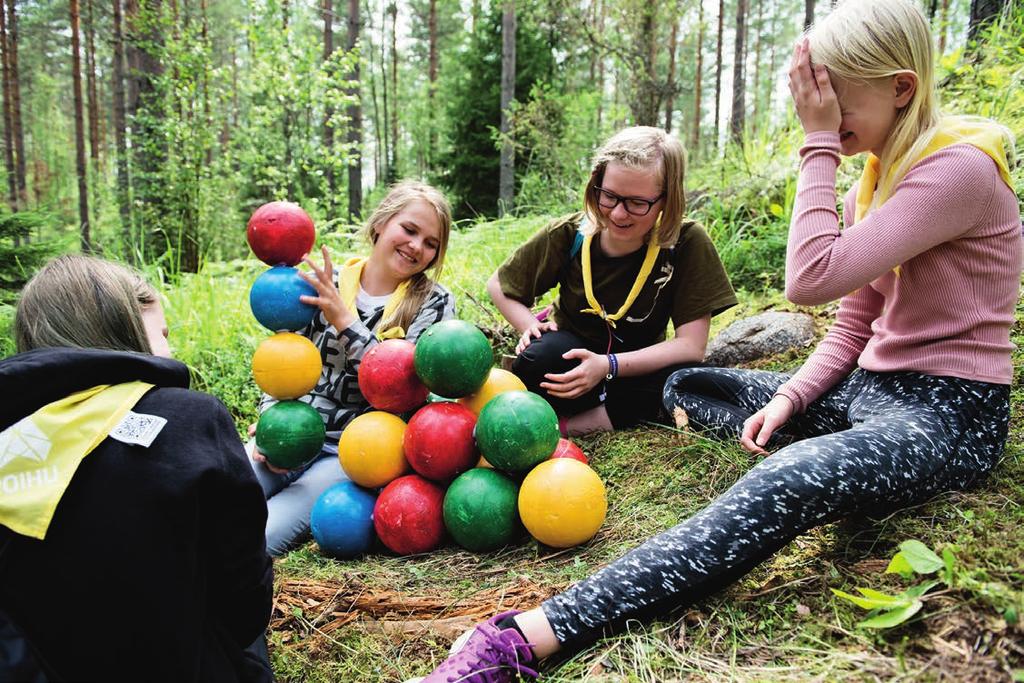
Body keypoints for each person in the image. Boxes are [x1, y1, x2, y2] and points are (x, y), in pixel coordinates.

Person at [412, 1, 1021, 680]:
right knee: (687, 383)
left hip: (947, 413)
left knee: (789, 475)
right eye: (812, 96)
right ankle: (829, 441)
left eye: (834, 94)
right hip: (869, 392)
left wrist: (817, 144)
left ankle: (528, 636)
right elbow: (853, 324)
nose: (818, 110)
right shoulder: (874, 187)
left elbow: (809, 280)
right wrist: (790, 398)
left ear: (901, 86)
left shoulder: (959, 171)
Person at [0, 254, 273, 682]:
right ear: (124, 330)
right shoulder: (191, 419)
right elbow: (245, 600)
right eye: (162, 333)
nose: (171, 348)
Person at [250, 180, 456, 556]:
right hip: (297, 430)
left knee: (261, 534)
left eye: (431, 243)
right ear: (381, 223)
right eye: (409, 230)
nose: (416, 246)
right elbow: (283, 361)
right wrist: (271, 423)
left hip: (356, 452)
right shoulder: (327, 282)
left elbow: (405, 389)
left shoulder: (434, 304)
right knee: (216, 496)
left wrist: (345, 321)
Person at [487, 126, 737, 435]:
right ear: (596, 185)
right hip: (572, 358)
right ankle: (587, 406)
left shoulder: (686, 243)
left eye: (636, 203)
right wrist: (528, 325)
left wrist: (608, 365)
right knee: (538, 359)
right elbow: (499, 285)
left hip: (637, 367)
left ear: (666, 199)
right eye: (609, 196)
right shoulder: (569, 235)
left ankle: (574, 425)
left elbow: (691, 346)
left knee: (687, 378)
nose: (618, 213)